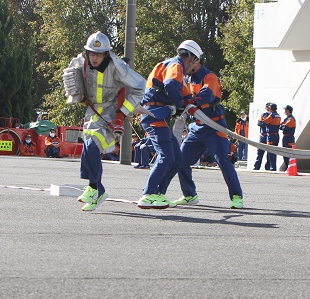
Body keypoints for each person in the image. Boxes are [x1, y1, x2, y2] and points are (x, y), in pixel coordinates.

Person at [62, 31, 146, 211]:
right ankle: (95, 189)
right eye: (92, 53)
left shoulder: (117, 66)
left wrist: (122, 113)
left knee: (92, 145)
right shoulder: (80, 62)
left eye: (99, 54)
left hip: (110, 112)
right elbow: (70, 80)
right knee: (87, 147)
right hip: (91, 112)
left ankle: (95, 189)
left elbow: (140, 86)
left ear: (106, 54)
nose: (94, 57)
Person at [137, 40, 201, 209]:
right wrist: (179, 105)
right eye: (195, 61)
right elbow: (171, 85)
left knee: (177, 158)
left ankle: (158, 193)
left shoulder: (173, 67)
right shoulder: (176, 65)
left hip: (159, 115)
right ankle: (149, 194)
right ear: (191, 57)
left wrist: (190, 103)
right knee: (166, 156)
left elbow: (183, 92)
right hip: (155, 114)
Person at [175, 56, 245, 209]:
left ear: (196, 61)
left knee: (224, 161)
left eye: (187, 60)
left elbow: (206, 95)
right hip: (197, 128)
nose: (184, 64)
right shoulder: (187, 78)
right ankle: (189, 195)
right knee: (180, 161)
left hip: (214, 127)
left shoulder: (210, 77)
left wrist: (190, 102)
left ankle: (236, 197)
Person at [262, 102, 281, 171]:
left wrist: (263, 119)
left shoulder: (272, 115)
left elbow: (264, 122)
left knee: (270, 152)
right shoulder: (278, 115)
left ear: (271, 108)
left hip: (271, 135)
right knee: (274, 151)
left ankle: (272, 167)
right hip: (276, 135)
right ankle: (271, 166)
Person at [253, 103, 271, 170]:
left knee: (269, 153)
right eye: (267, 107)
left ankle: (268, 167)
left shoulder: (272, 115)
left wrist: (264, 123)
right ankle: (256, 167)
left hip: (268, 136)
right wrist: (265, 123)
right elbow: (259, 123)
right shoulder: (263, 115)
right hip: (262, 135)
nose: (268, 108)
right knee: (259, 152)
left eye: (269, 107)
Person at [279, 105, 296, 171]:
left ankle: (289, 167)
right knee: (284, 153)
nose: (285, 111)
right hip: (285, 137)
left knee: (288, 153)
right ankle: (287, 167)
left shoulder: (291, 119)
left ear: (288, 110)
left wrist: (283, 126)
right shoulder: (287, 119)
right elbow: (280, 127)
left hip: (289, 137)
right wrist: (283, 126)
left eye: (286, 110)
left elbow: (285, 127)